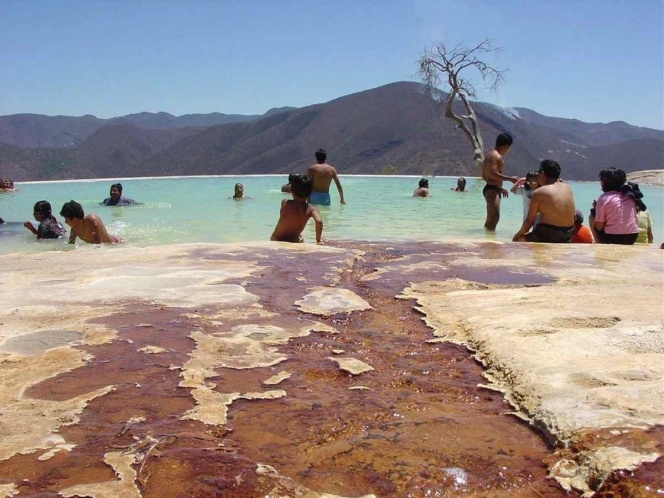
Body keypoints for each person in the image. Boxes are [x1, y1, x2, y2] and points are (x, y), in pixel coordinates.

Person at [513, 160, 576, 243]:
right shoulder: (567, 188)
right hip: (568, 233)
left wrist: (517, 235)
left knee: (519, 241)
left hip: (548, 233)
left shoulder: (539, 192)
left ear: (542, 173)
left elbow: (529, 221)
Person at [589, 168, 641, 245]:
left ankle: (598, 242)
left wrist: (596, 210)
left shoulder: (603, 198)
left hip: (613, 237)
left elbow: (599, 226)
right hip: (632, 236)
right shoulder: (629, 196)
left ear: (604, 182)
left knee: (592, 215)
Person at [270, 174, 323, 243]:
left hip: (276, 239)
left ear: (292, 192)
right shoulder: (311, 209)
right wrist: (318, 240)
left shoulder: (285, 203)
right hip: (293, 241)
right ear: (310, 193)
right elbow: (319, 221)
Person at [481, 133, 519, 230]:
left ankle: (486, 238)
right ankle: (489, 241)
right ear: (506, 146)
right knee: (494, 217)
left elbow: (485, 176)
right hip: (491, 189)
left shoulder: (491, 155)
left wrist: (500, 188)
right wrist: (510, 179)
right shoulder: (495, 156)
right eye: (508, 147)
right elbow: (493, 174)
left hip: (493, 188)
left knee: (492, 217)